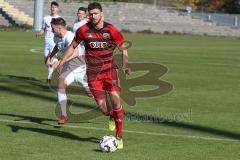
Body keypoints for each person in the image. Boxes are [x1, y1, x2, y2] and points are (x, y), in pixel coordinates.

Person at [57, 2, 130, 149]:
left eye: (95, 13)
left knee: (116, 101)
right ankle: (110, 116)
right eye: (90, 14)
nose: (93, 16)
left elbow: (123, 49)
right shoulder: (83, 30)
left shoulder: (111, 30)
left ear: (101, 14)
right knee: (104, 109)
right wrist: (62, 61)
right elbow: (72, 47)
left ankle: (119, 136)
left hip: (110, 72)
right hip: (93, 75)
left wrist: (125, 66)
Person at [46, 17, 91, 124]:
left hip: (80, 68)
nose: (52, 31)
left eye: (53, 29)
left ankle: (109, 105)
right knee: (60, 84)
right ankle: (63, 115)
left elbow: (74, 54)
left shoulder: (70, 36)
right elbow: (57, 47)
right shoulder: (56, 37)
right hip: (68, 69)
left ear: (59, 28)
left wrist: (61, 62)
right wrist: (50, 56)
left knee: (92, 93)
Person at [36, 1, 60, 83]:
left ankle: (49, 79)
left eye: (55, 7)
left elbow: (62, 31)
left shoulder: (59, 19)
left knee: (50, 59)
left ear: (58, 9)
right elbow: (43, 29)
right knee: (46, 61)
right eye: (52, 7)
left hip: (54, 43)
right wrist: (39, 33)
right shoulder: (46, 18)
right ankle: (59, 67)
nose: (53, 8)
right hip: (47, 42)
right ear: (51, 8)